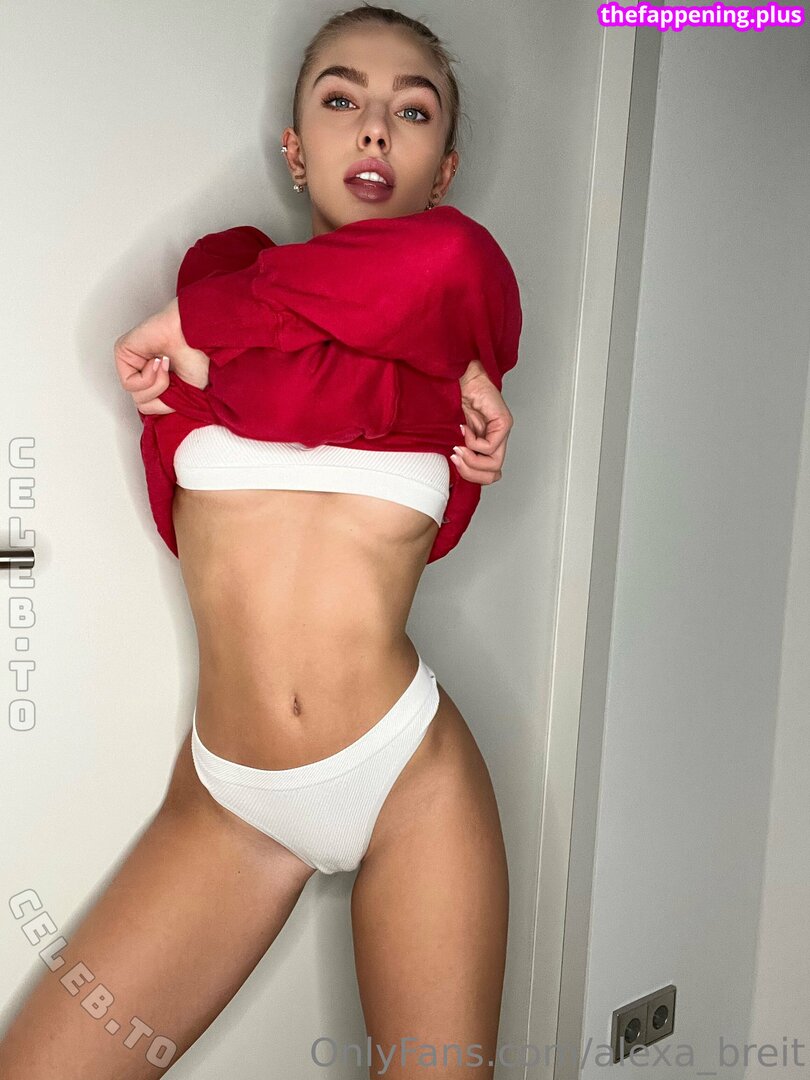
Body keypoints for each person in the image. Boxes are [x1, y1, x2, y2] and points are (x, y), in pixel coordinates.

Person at [0, 7, 522, 1078]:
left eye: (411, 111)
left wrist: (216, 351)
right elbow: (292, 397)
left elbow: (443, 269)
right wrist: (236, 341)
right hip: (231, 800)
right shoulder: (227, 269)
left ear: (444, 168)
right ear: (294, 149)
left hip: (411, 779)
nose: (373, 127)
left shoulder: (455, 300)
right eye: (341, 99)